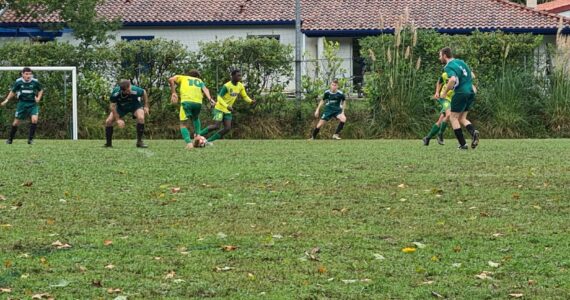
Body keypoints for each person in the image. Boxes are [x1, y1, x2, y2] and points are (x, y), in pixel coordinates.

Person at [439, 47, 480, 150]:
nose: (439, 58)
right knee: (462, 118)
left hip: (461, 92)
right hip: (470, 91)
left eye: (440, 56)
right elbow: (472, 75)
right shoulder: (461, 62)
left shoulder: (448, 66)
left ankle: (463, 144)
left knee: (453, 117)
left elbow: (452, 79)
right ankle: (473, 132)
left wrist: (444, 92)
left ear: (444, 55)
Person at [199, 70, 255, 143]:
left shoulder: (240, 86)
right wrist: (226, 106)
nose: (240, 77)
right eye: (238, 75)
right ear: (233, 76)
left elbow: (245, 96)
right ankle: (198, 135)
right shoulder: (227, 86)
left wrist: (251, 101)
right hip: (219, 109)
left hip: (228, 110)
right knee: (216, 126)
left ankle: (208, 141)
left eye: (240, 76)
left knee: (227, 128)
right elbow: (219, 97)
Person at [169, 70, 214, 149]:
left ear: (188, 74)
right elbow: (206, 90)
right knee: (195, 118)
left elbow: (171, 79)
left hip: (186, 102)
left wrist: (173, 92)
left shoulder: (183, 78)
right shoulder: (199, 80)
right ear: (197, 77)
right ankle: (198, 136)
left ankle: (189, 143)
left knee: (183, 124)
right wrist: (210, 99)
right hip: (198, 103)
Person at [1, 67, 44, 145]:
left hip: (32, 104)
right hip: (22, 104)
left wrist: (38, 98)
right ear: (22, 74)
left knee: (34, 120)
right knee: (16, 123)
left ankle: (30, 140)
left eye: (30, 74)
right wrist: (6, 100)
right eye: (26, 74)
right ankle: (10, 139)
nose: (28, 76)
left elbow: (41, 90)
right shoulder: (18, 82)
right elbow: (13, 92)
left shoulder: (35, 82)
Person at [104, 80, 149, 148]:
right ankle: (108, 144)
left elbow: (144, 92)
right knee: (108, 121)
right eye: (127, 91)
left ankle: (139, 142)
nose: (129, 91)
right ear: (122, 90)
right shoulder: (116, 93)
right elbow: (112, 106)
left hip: (134, 106)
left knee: (141, 118)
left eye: (130, 88)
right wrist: (118, 119)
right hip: (121, 107)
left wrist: (146, 106)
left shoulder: (134, 90)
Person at [423, 72, 453, 146]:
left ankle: (427, 138)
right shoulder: (445, 73)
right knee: (448, 114)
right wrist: (437, 92)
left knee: (442, 118)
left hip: (452, 99)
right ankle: (440, 134)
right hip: (444, 98)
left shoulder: (459, 75)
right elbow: (439, 82)